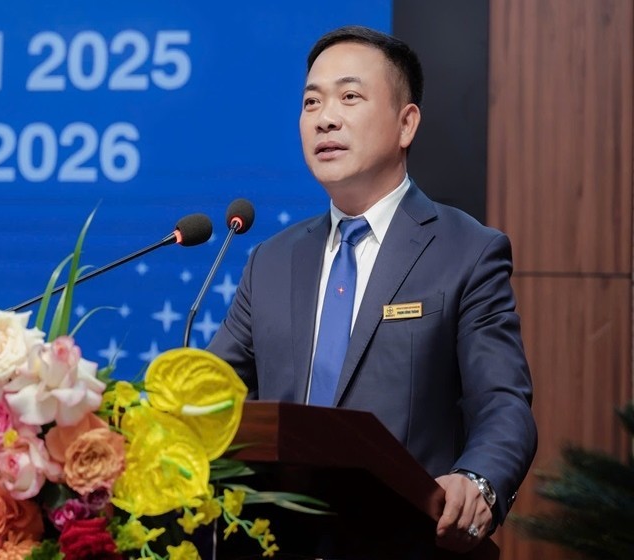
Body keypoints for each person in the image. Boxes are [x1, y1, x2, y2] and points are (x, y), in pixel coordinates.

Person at [207, 25, 537, 554]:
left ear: (406, 124)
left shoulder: (467, 251)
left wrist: (477, 481)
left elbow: (502, 402)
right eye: (311, 102)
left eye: (349, 97)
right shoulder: (271, 261)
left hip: (408, 542)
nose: (325, 118)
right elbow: (210, 394)